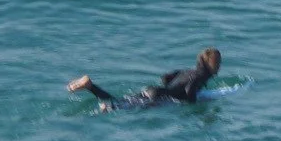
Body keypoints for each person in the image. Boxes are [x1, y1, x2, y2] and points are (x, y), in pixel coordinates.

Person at [67, 48, 222, 110]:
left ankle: (90, 86)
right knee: (123, 107)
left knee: (120, 100)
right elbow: (190, 90)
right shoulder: (200, 75)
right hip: (160, 97)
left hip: (154, 91)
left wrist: (173, 89)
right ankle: (105, 103)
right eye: (219, 63)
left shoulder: (188, 71)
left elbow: (166, 77)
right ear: (212, 64)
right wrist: (193, 104)